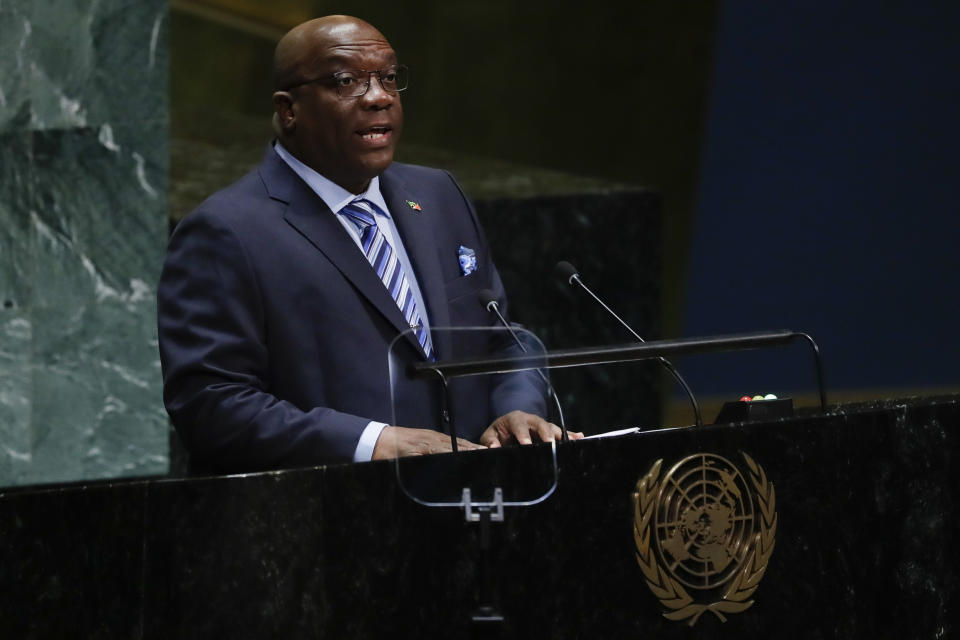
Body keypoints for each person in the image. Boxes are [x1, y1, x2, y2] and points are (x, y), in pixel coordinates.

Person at [158, 15, 580, 473]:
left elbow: (500, 339)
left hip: (472, 506)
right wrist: (370, 442)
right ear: (288, 109)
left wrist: (516, 409)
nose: (379, 97)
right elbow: (210, 406)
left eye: (389, 78)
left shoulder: (438, 195)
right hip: (328, 518)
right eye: (346, 82)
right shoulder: (226, 231)